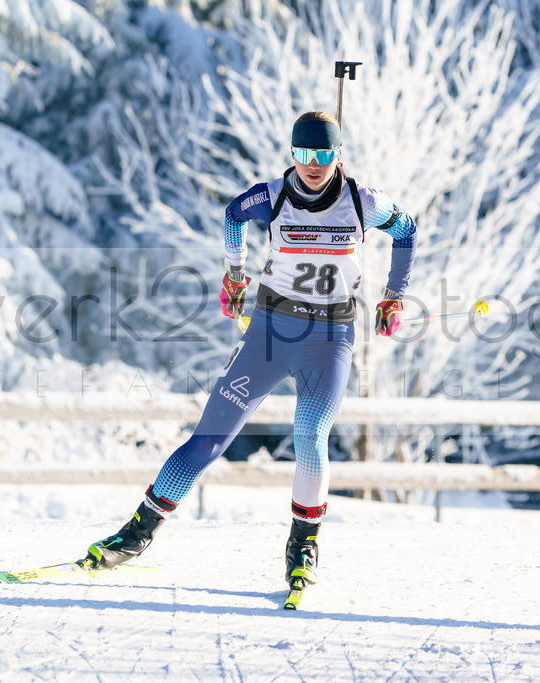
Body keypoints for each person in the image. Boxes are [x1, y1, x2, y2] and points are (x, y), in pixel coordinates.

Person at [81, 111, 417, 589]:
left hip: (330, 340)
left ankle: (303, 548)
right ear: (293, 155)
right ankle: (134, 535)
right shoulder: (273, 196)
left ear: (337, 155)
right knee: (208, 440)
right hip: (269, 334)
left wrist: (394, 295)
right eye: (303, 154)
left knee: (309, 436)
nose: (313, 164)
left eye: (323, 155)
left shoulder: (364, 201)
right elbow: (232, 215)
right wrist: (234, 272)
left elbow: (406, 231)